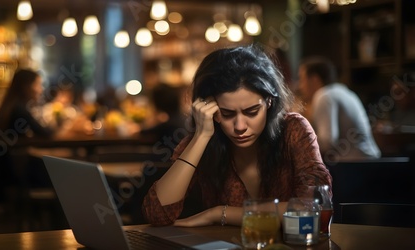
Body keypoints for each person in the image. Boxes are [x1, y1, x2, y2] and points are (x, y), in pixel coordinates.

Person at [142, 46, 332, 227]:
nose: (240, 127)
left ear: (269, 102)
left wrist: (219, 213)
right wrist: (201, 136)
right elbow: (157, 214)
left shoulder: (294, 130)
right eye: (227, 113)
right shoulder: (204, 138)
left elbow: (314, 207)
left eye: (252, 111)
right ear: (210, 109)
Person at [298, 56, 381, 162]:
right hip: (371, 160)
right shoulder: (344, 91)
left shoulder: (324, 95)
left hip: (355, 165)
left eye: (301, 79)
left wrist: (299, 141)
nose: (300, 86)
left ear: (314, 79)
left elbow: (328, 143)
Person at [0, 69, 54, 140]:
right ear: (27, 86)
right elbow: (46, 134)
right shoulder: (19, 110)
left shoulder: (13, 105)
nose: (41, 89)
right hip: (11, 150)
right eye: (38, 84)